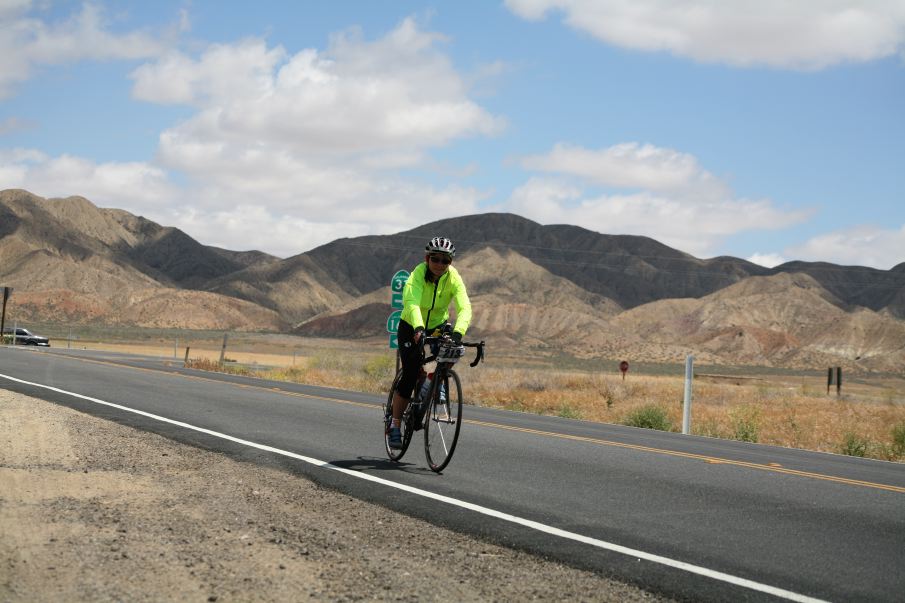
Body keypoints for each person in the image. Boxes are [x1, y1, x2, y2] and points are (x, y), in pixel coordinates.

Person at [388, 236, 472, 449]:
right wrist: (417, 327)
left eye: (446, 261)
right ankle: (395, 424)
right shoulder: (417, 275)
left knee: (453, 351)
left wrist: (458, 333)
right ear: (427, 258)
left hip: (437, 325)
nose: (440, 265)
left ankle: (435, 381)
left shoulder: (453, 277)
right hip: (410, 326)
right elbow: (412, 302)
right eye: (436, 259)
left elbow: (465, 307)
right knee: (410, 372)